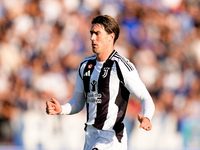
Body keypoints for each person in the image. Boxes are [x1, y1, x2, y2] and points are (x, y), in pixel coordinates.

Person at [46, 15, 155, 150]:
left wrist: (147, 117)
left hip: (111, 139)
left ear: (111, 37)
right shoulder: (85, 65)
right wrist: (61, 109)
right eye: (91, 33)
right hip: (90, 137)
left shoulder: (121, 66)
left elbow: (145, 97)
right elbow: (78, 102)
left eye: (97, 34)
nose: (92, 38)